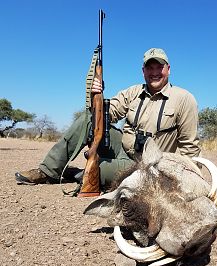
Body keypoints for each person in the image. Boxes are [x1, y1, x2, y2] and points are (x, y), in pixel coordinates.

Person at [15, 48, 200, 189]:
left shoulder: (184, 99)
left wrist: (183, 181)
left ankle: (74, 173)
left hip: (146, 165)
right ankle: (48, 171)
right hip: (121, 148)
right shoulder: (133, 92)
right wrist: (96, 95)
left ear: (168, 69)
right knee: (89, 117)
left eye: (159, 67)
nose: (154, 72)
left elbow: (189, 147)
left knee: (94, 173)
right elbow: (106, 114)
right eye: (149, 68)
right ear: (143, 71)